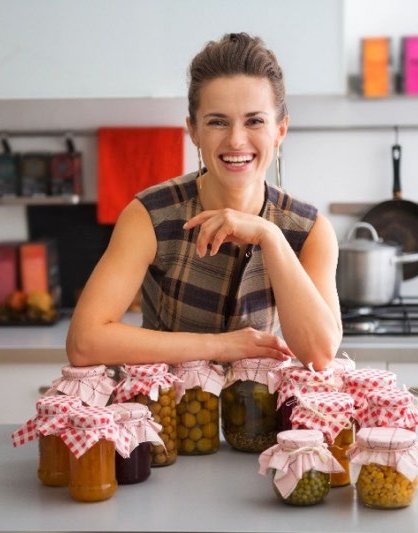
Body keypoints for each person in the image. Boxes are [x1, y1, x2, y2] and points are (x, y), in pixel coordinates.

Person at [66, 33, 342, 371]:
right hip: (163, 416)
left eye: (254, 121)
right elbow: (84, 342)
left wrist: (270, 236)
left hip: (262, 418)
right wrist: (219, 346)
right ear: (193, 131)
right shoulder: (150, 216)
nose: (236, 140)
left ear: (280, 130)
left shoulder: (310, 231)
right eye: (217, 122)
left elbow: (320, 353)